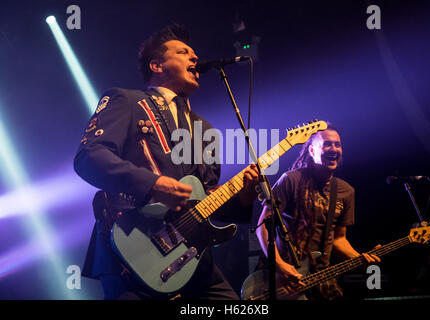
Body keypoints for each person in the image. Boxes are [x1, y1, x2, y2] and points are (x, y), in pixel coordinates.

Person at [74, 24, 259, 300]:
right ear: (156, 65)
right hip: (133, 252)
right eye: (183, 52)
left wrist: (242, 199)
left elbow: (204, 199)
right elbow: (90, 156)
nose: (194, 58)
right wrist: (153, 184)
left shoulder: (205, 130)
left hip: (195, 259)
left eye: (194, 54)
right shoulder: (128, 101)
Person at [255, 124, 380, 300]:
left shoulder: (346, 191)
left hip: (321, 277)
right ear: (312, 151)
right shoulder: (291, 180)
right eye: (328, 144)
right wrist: (281, 266)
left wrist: (360, 258)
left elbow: (338, 239)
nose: (334, 149)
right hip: (285, 279)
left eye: (338, 144)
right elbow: (263, 227)